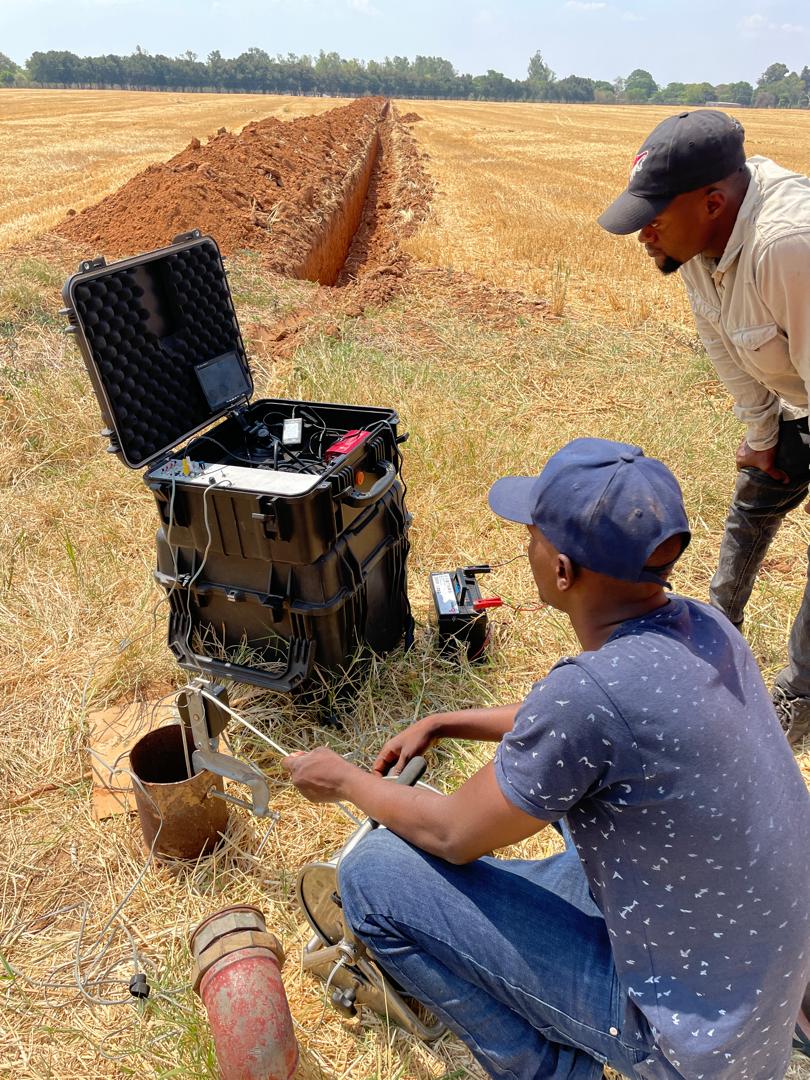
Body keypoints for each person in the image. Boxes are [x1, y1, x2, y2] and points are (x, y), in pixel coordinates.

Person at [283, 438, 810, 1080]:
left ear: (562, 571)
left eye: (530, 532)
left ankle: (551, 1069)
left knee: (373, 874)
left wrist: (342, 779)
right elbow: (587, 729)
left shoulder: (589, 698)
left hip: (682, 1039)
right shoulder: (705, 627)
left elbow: (452, 834)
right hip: (758, 993)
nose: (524, 543)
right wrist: (448, 720)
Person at [597, 108, 810, 748]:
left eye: (652, 220)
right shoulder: (695, 246)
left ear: (713, 202)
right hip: (798, 394)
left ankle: (800, 699)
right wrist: (764, 437)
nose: (643, 236)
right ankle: (714, 633)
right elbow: (725, 346)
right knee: (755, 494)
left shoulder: (789, 247)